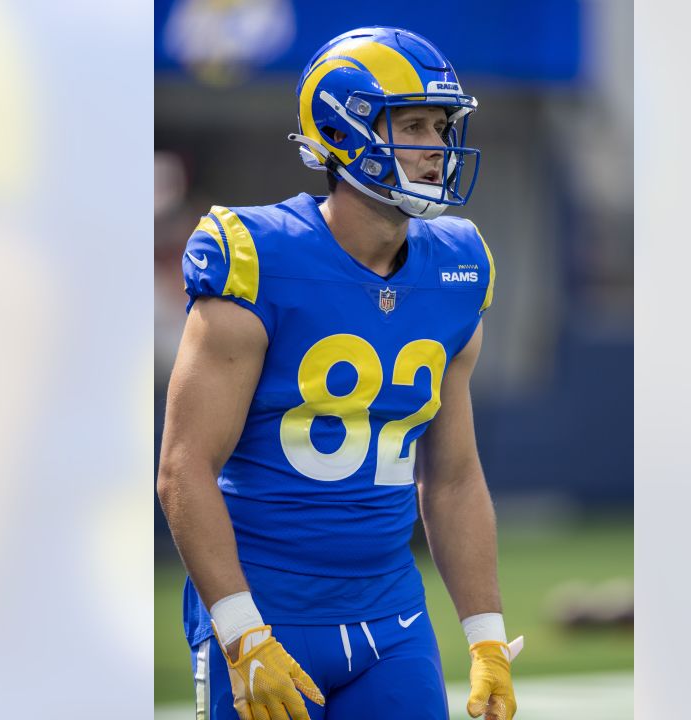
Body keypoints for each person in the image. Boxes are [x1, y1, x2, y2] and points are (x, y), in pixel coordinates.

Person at [157, 26, 518, 720]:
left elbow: (451, 476)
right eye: (412, 125)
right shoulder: (257, 254)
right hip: (265, 611)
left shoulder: (457, 267)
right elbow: (183, 467)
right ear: (340, 132)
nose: (438, 147)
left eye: (442, 127)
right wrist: (240, 634)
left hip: (392, 622)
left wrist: (487, 639)